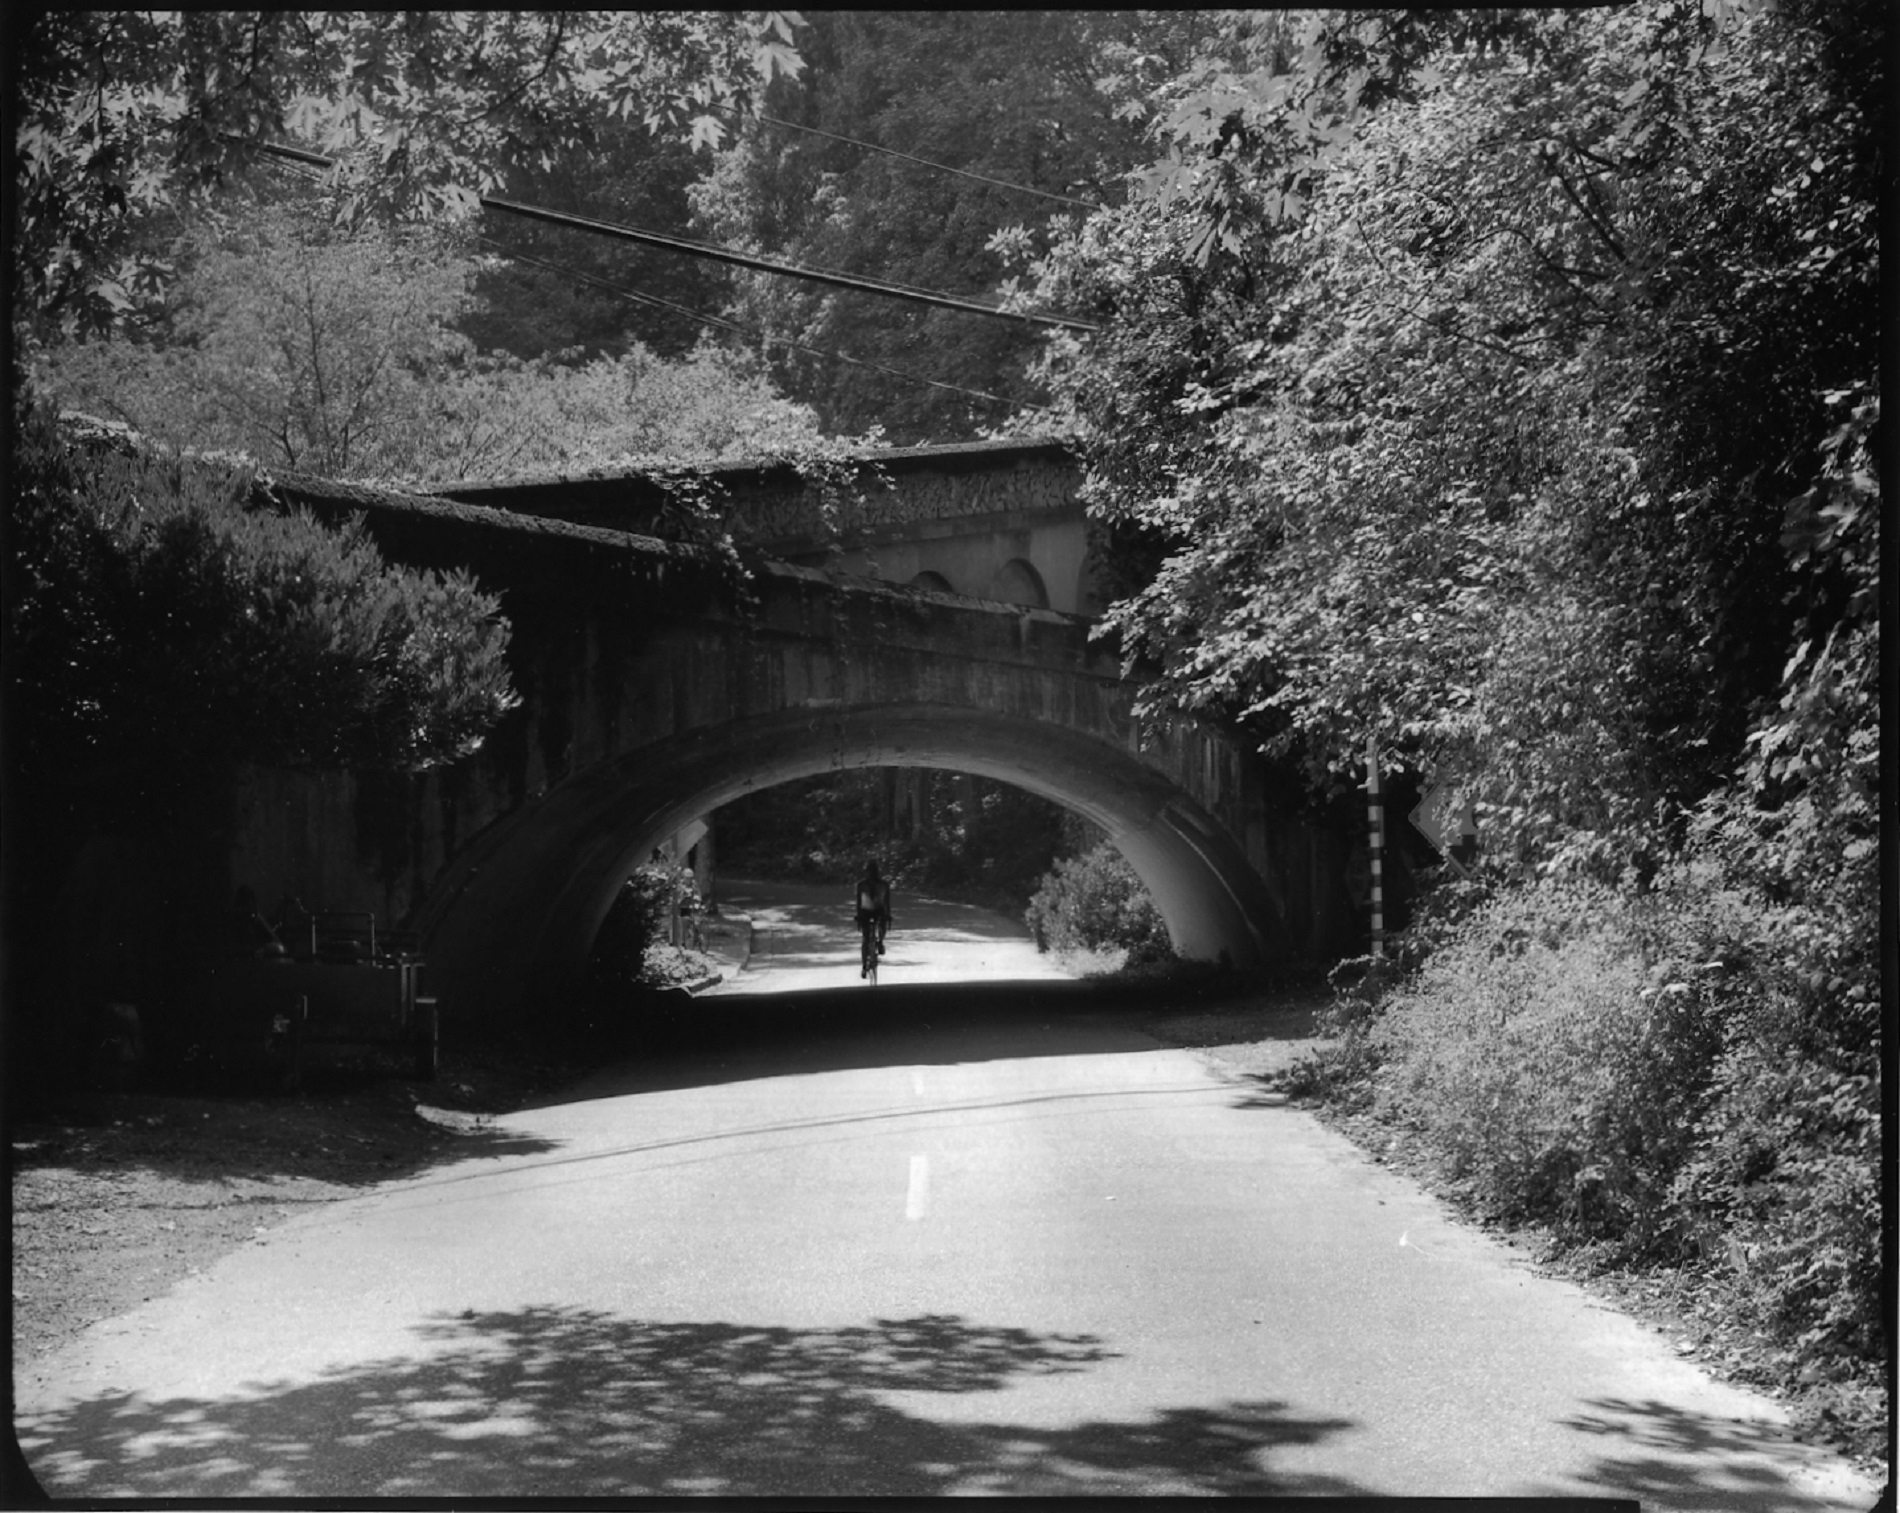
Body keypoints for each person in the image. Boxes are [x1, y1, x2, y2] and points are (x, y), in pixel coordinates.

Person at [854, 861, 892, 976]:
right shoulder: (862, 885)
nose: (871, 875)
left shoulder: (883, 885)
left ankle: (880, 942)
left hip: (877, 910)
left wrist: (888, 914)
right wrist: (859, 915)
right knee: (866, 938)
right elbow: (859, 902)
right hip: (866, 911)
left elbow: (886, 901)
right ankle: (865, 964)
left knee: (880, 926)